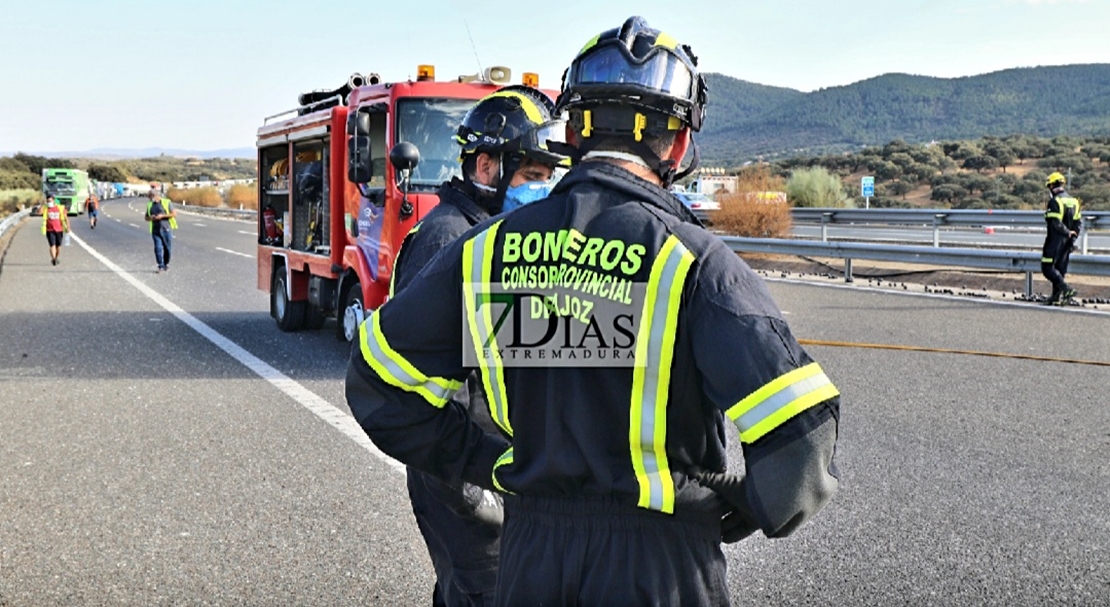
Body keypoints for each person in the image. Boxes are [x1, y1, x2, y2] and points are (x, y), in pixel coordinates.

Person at [346, 16, 841, 606]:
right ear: (680, 145)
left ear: (571, 135)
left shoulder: (483, 253)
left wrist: (495, 464)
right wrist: (733, 508)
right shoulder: (694, 262)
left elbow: (376, 382)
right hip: (662, 566)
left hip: (529, 558)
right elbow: (802, 436)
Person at [388, 85, 568, 607]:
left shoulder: (492, 233)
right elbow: (435, 389)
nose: (544, 187)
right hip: (463, 476)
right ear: (486, 165)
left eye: (549, 176)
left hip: (489, 464)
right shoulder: (448, 240)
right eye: (533, 175)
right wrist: (478, 487)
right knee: (485, 590)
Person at [1042, 171, 1081, 305]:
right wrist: (1072, 237)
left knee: (1047, 267)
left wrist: (1066, 232)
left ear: (1052, 185)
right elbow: (1078, 223)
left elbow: (1056, 223)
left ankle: (1066, 289)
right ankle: (1055, 297)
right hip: (1068, 241)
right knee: (1059, 268)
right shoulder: (1074, 201)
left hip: (1055, 239)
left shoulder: (1055, 201)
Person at [144, 185, 178, 272]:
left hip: (165, 229)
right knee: (158, 248)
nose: (149, 199)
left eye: (150, 197)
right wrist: (151, 217)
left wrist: (162, 216)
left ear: (155, 195)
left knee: (167, 248)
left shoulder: (166, 202)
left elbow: (174, 214)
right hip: (155, 230)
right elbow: (146, 218)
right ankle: (160, 265)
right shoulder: (149, 205)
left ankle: (166, 263)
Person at [41, 194, 70, 266]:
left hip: (59, 230)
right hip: (50, 230)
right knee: (52, 245)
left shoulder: (60, 208)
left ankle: (56, 257)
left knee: (58, 246)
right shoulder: (46, 208)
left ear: (54, 200)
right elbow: (39, 212)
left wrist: (68, 227)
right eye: (47, 201)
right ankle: (53, 258)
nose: (49, 202)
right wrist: (43, 204)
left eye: (50, 201)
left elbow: (66, 218)